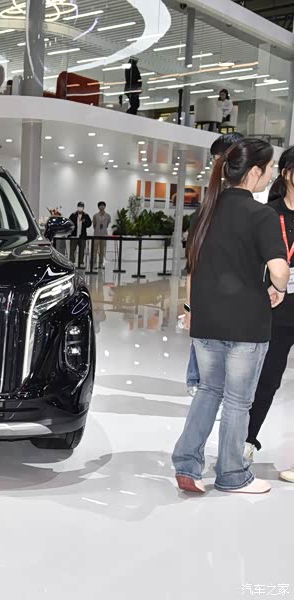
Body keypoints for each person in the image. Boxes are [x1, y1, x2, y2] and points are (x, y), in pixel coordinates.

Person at [173, 138, 289, 495]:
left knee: (208, 392)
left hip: (207, 320)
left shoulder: (205, 210)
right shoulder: (262, 215)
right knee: (238, 402)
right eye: (269, 168)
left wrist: (191, 310)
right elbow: (279, 271)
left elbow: (193, 268)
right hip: (246, 324)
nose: (271, 174)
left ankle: (187, 464)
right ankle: (232, 474)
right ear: (254, 172)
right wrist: (279, 287)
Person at [244, 146, 294, 483]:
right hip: (277, 310)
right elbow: (251, 261)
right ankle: (246, 443)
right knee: (266, 381)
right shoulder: (268, 213)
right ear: (287, 173)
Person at [185, 132, 245, 396]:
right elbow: (193, 264)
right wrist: (189, 306)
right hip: (212, 296)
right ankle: (197, 379)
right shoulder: (208, 207)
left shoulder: (251, 208)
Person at [68, 202, 91, 268]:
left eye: (81, 206)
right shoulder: (73, 215)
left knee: (82, 250)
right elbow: (69, 224)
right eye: (79, 206)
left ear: (83, 207)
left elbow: (89, 224)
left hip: (82, 236)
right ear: (77, 207)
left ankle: (81, 262)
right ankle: (72, 262)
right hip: (74, 235)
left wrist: (85, 221)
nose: (80, 207)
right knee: (72, 250)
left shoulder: (86, 215)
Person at [92, 201, 111, 270]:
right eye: (100, 205)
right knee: (95, 250)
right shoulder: (95, 216)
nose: (102, 207)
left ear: (105, 207)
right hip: (97, 234)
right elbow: (94, 225)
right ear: (98, 207)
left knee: (102, 250)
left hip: (104, 235)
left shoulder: (108, 216)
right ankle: (94, 264)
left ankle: (101, 264)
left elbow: (107, 224)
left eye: (103, 205)